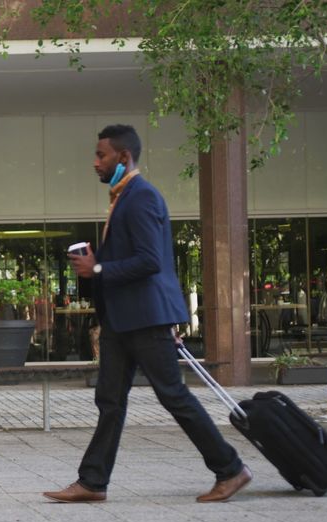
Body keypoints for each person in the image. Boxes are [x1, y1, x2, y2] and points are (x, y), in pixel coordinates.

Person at [44, 124, 252, 503]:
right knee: (109, 401)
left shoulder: (142, 197)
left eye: (101, 155)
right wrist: (97, 261)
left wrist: (99, 269)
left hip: (144, 320)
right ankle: (92, 482)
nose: (95, 162)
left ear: (123, 157)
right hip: (122, 321)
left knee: (173, 395)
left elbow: (149, 261)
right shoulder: (123, 197)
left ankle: (231, 469)